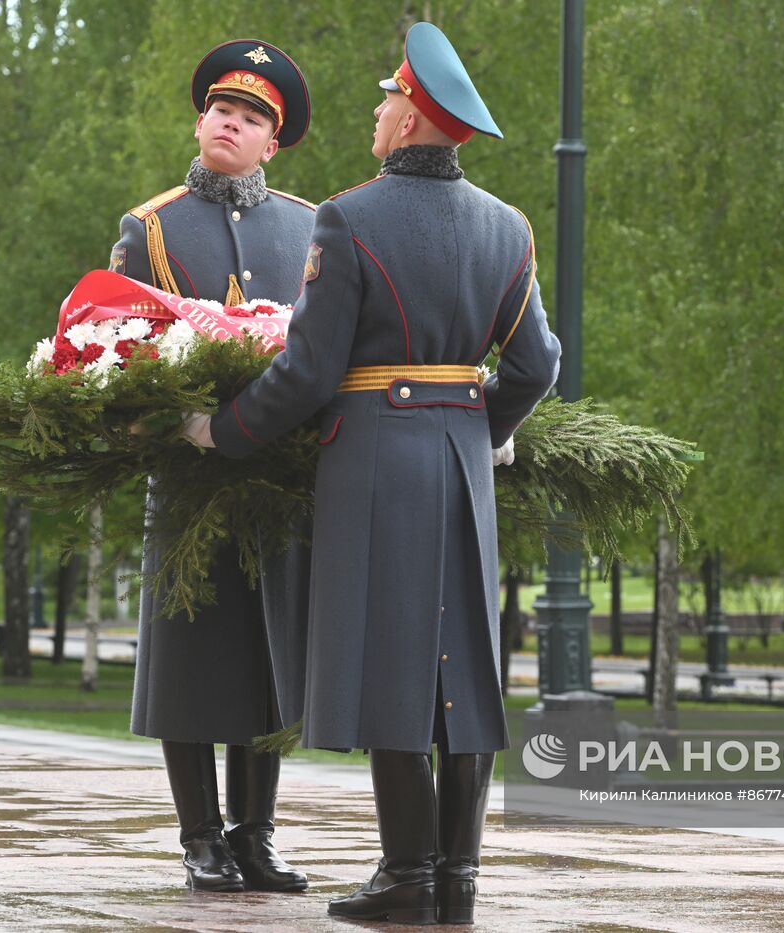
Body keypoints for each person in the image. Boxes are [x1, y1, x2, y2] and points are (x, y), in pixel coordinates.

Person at [184, 22, 560, 924]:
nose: (381, 111)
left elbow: (310, 371)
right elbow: (538, 360)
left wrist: (222, 431)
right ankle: (455, 879)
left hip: (374, 456)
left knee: (394, 659)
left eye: (390, 99)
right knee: (463, 665)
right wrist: (490, 427)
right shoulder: (508, 227)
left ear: (416, 118)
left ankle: (406, 875)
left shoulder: (349, 216)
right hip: (462, 459)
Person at [117, 38, 315, 893]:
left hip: (277, 477)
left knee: (268, 657)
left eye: (250, 119)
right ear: (200, 121)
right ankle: (201, 836)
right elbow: (124, 352)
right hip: (192, 475)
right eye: (221, 112)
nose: (230, 125)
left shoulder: (310, 224)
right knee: (192, 656)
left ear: (274, 142)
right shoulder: (151, 225)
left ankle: (257, 835)